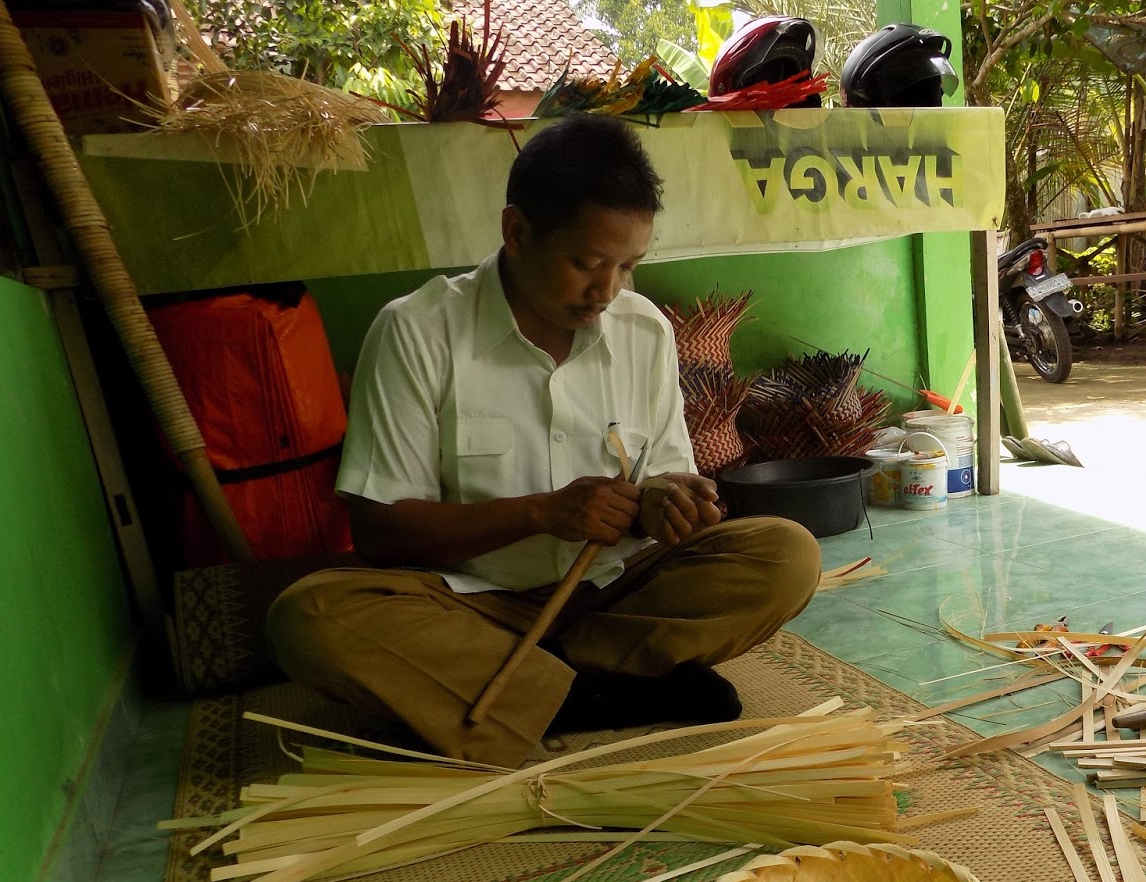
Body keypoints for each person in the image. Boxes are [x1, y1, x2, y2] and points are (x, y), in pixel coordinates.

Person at [267, 115, 820, 767]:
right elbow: (381, 532)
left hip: (612, 600)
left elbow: (666, 483)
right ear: (517, 232)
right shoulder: (416, 333)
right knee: (307, 618)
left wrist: (665, 505)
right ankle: (609, 692)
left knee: (788, 554)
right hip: (469, 608)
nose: (606, 291)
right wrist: (542, 513)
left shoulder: (643, 333)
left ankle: (536, 689)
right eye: (586, 263)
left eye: (627, 266)